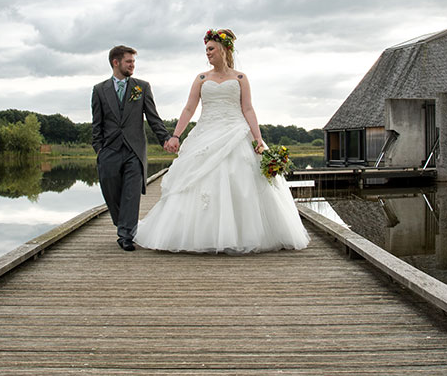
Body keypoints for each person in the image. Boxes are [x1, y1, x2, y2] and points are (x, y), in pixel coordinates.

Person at [135, 29, 310, 253]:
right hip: (206, 132)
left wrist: (258, 138)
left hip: (237, 131)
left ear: (224, 50)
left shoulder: (240, 78)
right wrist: (176, 135)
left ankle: (243, 235)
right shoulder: (201, 78)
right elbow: (189, 108)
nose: (207, 53)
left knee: (242, 178)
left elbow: (248, 108)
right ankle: (202, 235)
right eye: (206, 50)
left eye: (211, 49)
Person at [91, 45, 174, 251]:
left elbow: (153, 117)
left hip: (134, 150)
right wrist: (99, 149)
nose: (132, 65)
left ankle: (126, 234)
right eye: (129, 62)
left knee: (131, 193)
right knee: (111, 191)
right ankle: (123, 224)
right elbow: (96, 123)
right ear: (116, 62)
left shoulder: (142, 87)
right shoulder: (99, 90)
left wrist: (165, 138)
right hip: (109, 150)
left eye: (134, 62)